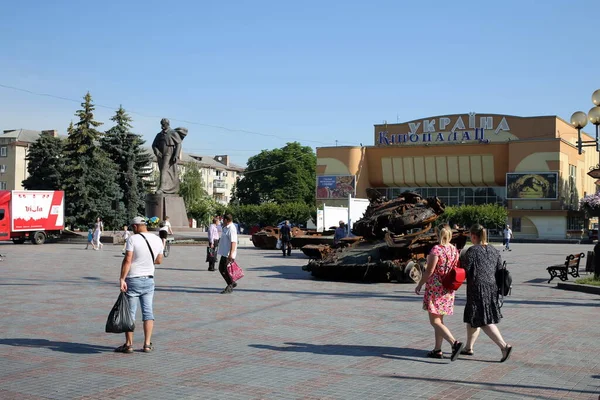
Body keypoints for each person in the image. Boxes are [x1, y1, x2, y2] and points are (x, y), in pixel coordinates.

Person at [462, 224, 512, 362]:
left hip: (477, 289)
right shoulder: (494, 250)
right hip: (492, 288)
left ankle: (504, 346)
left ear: (473, 236)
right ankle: (468, 347)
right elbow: (500, 269)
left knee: (483, 320)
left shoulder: (472, 251)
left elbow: (465, 269)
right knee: (474, 318)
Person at [415, 224, 464, 361]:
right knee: (440, 320)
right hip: (447, 288)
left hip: (436, 288)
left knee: (435, 321)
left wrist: (419, 284)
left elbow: (429, 271)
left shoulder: (436, 249)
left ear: (438, 234)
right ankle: (437, 350)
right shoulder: (454, 250)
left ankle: (454, 343)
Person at [115, 217, 164, 354]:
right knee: (148, 312)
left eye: (132, 227)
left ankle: (129, 344)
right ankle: (147, 344)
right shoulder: (157, 239)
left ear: (136, 226)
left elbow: (128, 259)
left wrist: (122, 279)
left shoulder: (133, 239)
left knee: (130, 313)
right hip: (149, 279)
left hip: (133, 279)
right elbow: (159, 260)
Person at [151, 119, 188, 194]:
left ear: (167, 124)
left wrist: (176, 155)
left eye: (164, 124)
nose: (162, 126)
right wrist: (157, 152)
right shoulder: (159, 134)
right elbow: (154, 145)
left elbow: (179, 144)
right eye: (161, 124)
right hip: (160, 155)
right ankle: (168, 188)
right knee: (163, 171)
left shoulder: (172, 133)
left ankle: (162, 189)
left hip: (169, 154)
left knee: (164, 171)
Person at [217, 214, 238, 294]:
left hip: (228, 253)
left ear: (226, 220)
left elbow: (233, 242)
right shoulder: (226, 228)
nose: (222, 221)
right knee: (222, 269)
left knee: (225, 269)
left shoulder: (231, 228)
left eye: (223, 219)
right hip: (224, 252)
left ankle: (230, 284)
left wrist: (231, 254)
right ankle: (231, 283)